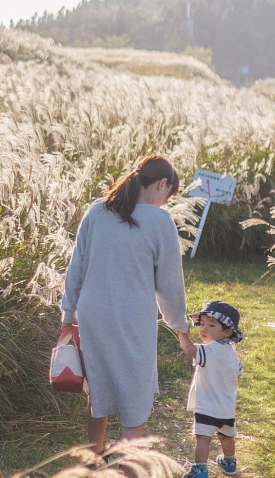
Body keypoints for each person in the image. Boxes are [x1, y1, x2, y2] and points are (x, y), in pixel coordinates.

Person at [59, 154, 191, 453]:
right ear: (162, 184)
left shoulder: (97, 210)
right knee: (135, 392)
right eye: (167, 196)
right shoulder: (160, 221)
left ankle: (94, 457)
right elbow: (169, 284)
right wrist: (180, 326)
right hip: (132, 315)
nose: (165, 204)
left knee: (99, 384)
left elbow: (76, 265)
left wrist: (68, 312)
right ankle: (130, 475)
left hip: (92, 313)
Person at [178, 300, 243, 478]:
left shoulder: (211, 350)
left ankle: (200, 469)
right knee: (226, 436)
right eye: (202, 324)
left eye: (211, 325)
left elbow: (190, 350)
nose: (204, 329)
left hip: (207, 407)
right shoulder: (232, 352)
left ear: (227, 332)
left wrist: (183, 334)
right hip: (226, 408)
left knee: (203, 438)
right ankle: (229, 462)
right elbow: (238, 374)